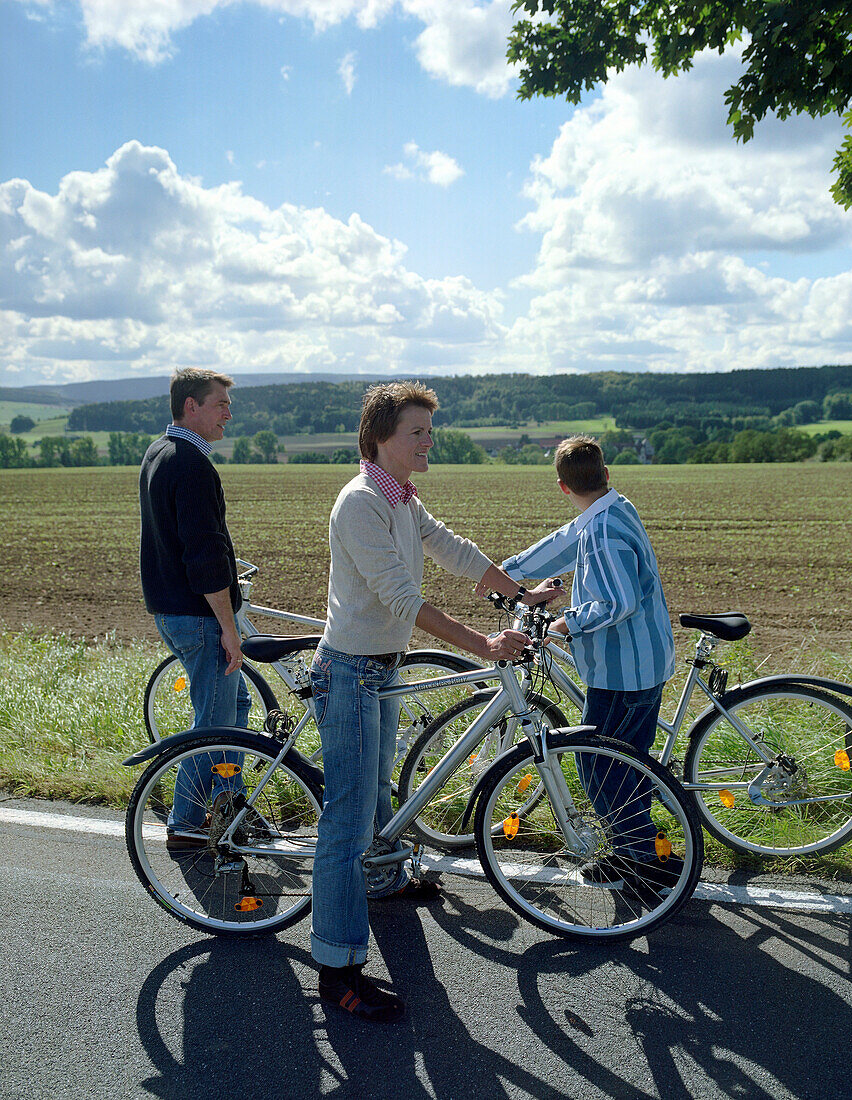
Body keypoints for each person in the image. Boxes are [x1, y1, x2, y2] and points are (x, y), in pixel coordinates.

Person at [310, 381, 562, 1023]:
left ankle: (386, 876)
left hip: (381, 669)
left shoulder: (402, 499)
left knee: (377, 791)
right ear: (381, 437)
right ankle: (336, 969)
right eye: (417, 431)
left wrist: (522, 594)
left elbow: (453, 549)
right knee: (344, 820)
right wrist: (483, 642)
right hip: (350, 672)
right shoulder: (360, 503)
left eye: (430, 429)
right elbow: (402, 598)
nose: (429, 440)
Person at [501, 436, 679, 893]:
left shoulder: (600, 531)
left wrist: (564, 623)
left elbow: (617, 601)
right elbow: (565, 540)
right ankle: (633, 851)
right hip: (640, 662)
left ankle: (648, 865)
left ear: (562, 487)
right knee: (626, 765)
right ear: (605, 474)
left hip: (624, 672)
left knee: (599, 766)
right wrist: (507, 573)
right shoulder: (614, 509)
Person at [139, 368, 251, 851]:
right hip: (199, 616)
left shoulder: (159, 452)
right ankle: (187, 821)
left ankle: (230, 806)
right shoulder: (190, 464)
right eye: (220, 403)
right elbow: (203, 557)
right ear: (191, 406)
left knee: (234, 705)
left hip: (173, 610)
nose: (229, 412)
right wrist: (228, 627)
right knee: (214, 722)